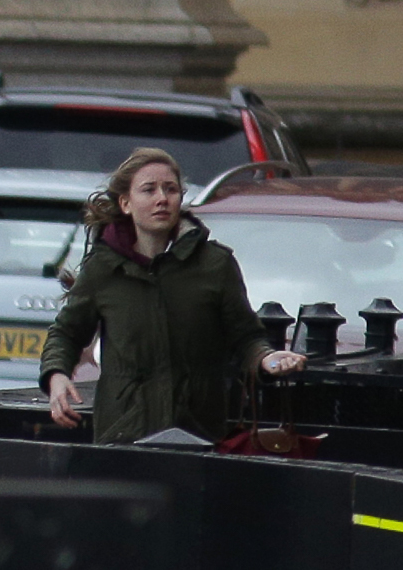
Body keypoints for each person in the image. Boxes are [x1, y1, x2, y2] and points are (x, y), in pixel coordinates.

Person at [40, 147, 306, 444]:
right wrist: (57, 375)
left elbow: (245, 337)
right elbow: (66, 333)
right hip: (124, 433)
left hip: (199, 433)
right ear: (126, 203)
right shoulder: (103, 269)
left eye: (171, 189)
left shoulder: (214, 264)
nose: (162, 199)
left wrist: (266, 359)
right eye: (149, 190)